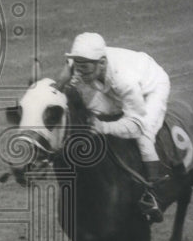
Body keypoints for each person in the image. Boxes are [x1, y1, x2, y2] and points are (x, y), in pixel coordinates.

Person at [56, 32, 171, 223]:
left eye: (84, 68)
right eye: (77, 66)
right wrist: (61, 83)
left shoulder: (124, 79)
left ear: (101, 62)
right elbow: (70, 73)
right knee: (90, 114)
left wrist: (104, 127)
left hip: (150, 87)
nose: (80, 72)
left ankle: (153, 194)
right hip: (112, 88)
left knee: (145, 136)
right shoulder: (87, 62)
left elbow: (136, 126)